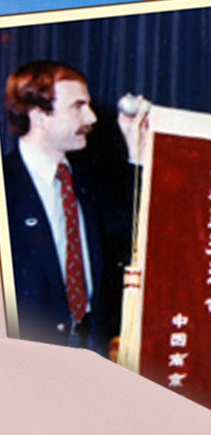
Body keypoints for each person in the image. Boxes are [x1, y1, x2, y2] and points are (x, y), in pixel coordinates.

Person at [2, 60, 144, 352]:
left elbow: (132, 233)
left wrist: (136, 152)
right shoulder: (7, 187)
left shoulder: (85, 182)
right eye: (78, 106)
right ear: (40, 115)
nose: (92, 117)